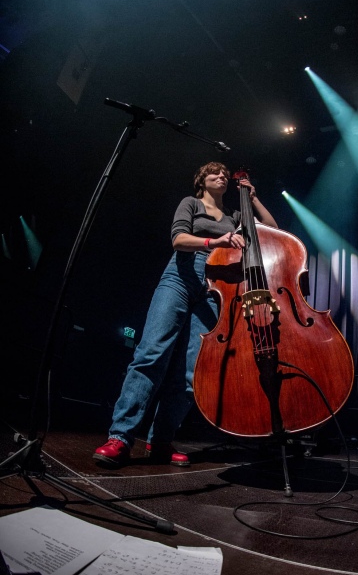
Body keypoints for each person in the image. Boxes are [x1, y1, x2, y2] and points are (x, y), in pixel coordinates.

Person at [93, 161, 278, 467]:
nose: (222, 176)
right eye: (214, 173)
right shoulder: (190, 204)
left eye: (224, 174)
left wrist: (252, 197)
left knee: (193, 372)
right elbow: (178, 240)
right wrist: (214, 241)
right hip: (180, 276)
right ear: (201, 181)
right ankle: (120, 437)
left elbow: (270, 229)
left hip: (215, 286)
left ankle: (161, 441)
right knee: (152, 353)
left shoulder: (235, 216)